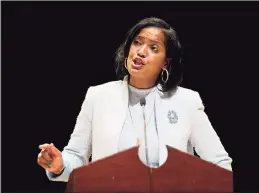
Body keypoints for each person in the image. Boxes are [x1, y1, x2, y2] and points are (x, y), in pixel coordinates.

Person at [37, 17, 233, 182]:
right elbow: (77, 156)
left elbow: (220, 165)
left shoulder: (187, 101)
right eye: (137, 42)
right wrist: (60, 165)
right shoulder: (98, 96)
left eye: (153, 47)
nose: (140, 52)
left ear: (166, 63)